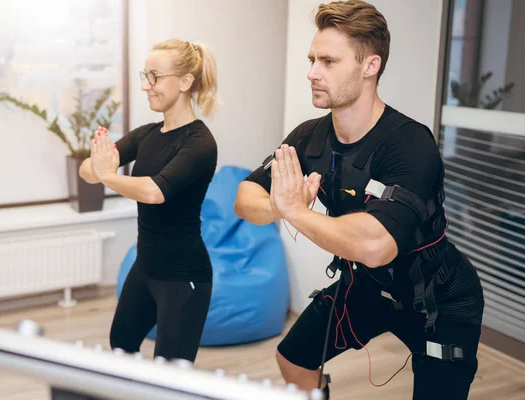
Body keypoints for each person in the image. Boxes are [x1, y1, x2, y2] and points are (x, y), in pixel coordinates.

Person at [233, 1, 484, 399]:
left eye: (328, 62)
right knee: (293, 359)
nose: (312, 72)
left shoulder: (409, 144)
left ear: (370, 66)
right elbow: (246, 197)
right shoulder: (309, 137)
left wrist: (294, 210)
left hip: (438, 298)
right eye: (312, 59)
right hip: (366, 288)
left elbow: (376, 245)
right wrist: (278, 205)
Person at [79, 38, 219, 363]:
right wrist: (99, 167)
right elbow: (88, 170)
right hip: (146, 268)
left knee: (170, 377)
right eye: (145, 75)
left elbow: (155, 192)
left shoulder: (200, 143)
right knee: (121, 345)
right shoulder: (146, 135)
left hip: (184, 277)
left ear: (185, 81)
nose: (145, 85)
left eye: (155, 76)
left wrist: (108, 176)